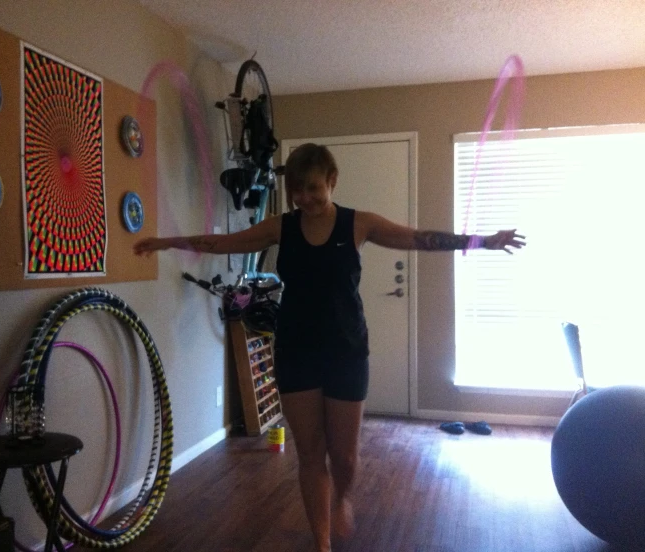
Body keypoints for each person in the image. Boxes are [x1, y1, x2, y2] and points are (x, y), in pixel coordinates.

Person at [134, 143, 526, 552]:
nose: (304, 198)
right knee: (309, 453)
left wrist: (482, 241)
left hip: (346, 352)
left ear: (332, 181)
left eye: (313, 188)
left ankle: (342, 497)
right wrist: (166, 242)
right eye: (297, 190)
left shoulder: (359, 225)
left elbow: (419, 239)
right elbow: (226, 242)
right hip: (296, 351)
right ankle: (321, 541)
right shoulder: (281, 227)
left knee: (345, 459)